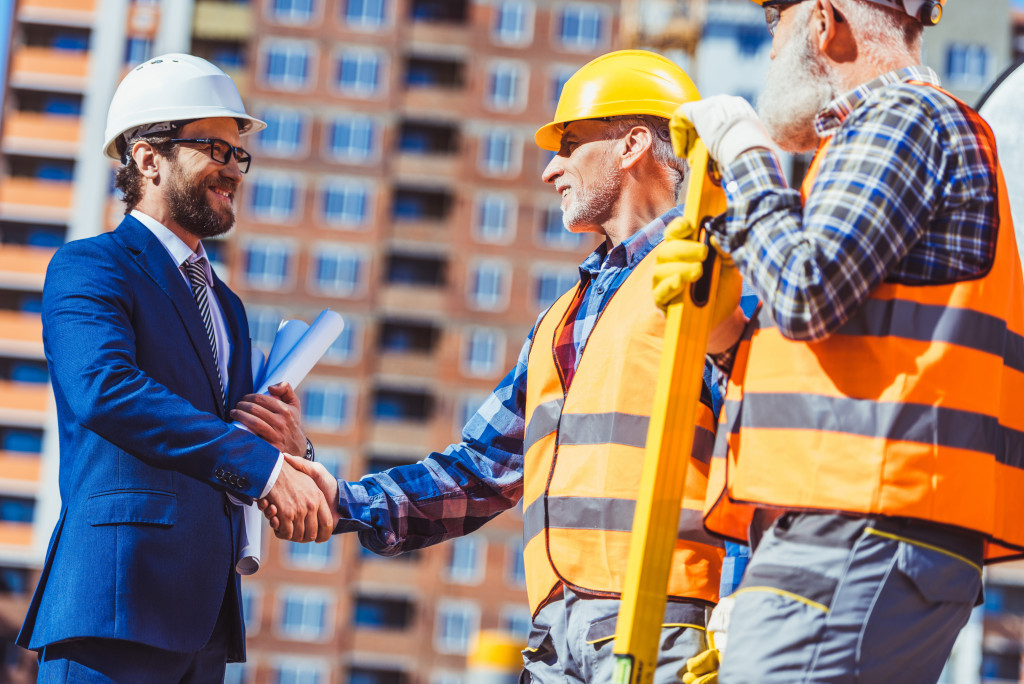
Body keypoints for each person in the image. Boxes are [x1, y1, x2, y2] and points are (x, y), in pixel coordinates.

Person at [250, 50, 725, 683]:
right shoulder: (565, 315)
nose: (553, 169)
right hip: (559, 634)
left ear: (633, 144)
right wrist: (339, 499)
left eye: (572, 144)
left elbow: (759, 452)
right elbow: (479, 470)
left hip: (668, 620)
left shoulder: (709, 274)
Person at [654, 0, 1024, 682]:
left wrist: (746, 152)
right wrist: (726, 332)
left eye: (775, 25)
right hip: (860, 528)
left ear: (824, 20)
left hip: (858, 525)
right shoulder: (896, 134)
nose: (770, 54)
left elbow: (804, 290)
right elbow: (842, 354)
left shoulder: (903, 120)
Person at [17, 54, 333, 683]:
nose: (232, 169)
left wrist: (288, 444)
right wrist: (264, 469)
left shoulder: (229, 307)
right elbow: (106, 391)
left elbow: (227, 437)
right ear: (147, 157)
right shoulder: (91, 267)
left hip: (206, 620)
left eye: (237, 153)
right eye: (214, 147)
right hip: (115, 601)